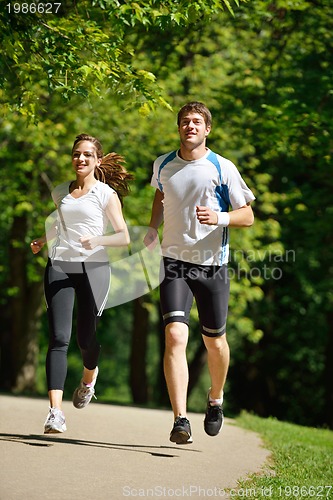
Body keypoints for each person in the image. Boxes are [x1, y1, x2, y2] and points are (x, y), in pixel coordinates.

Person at [145, 102, 255, 444]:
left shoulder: (222, 167)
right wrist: (152, 229)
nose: (190, 126)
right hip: (173, 263)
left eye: (196, 122)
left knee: (214, 341)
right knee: (175, 336)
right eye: (184, 122)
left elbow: (248, 215)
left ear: (207, 129)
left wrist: (219, 218)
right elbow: (161, 195)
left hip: (212, 266)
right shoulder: (162, 164)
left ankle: (215, 398)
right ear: (178, 128)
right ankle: (180, 419)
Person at [31, 133, 132, 434]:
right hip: (60, 265)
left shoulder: (105, 195)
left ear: (97, 160)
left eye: (87, 154)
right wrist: (42, 240)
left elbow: (124, 236)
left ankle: (89, 376)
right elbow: (61, 221)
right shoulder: (63, 191)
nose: (81, 159)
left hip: (94, 268)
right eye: (77, 154)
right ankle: (55, 412)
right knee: (59, 338)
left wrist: (98, 240)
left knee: (85, 340)